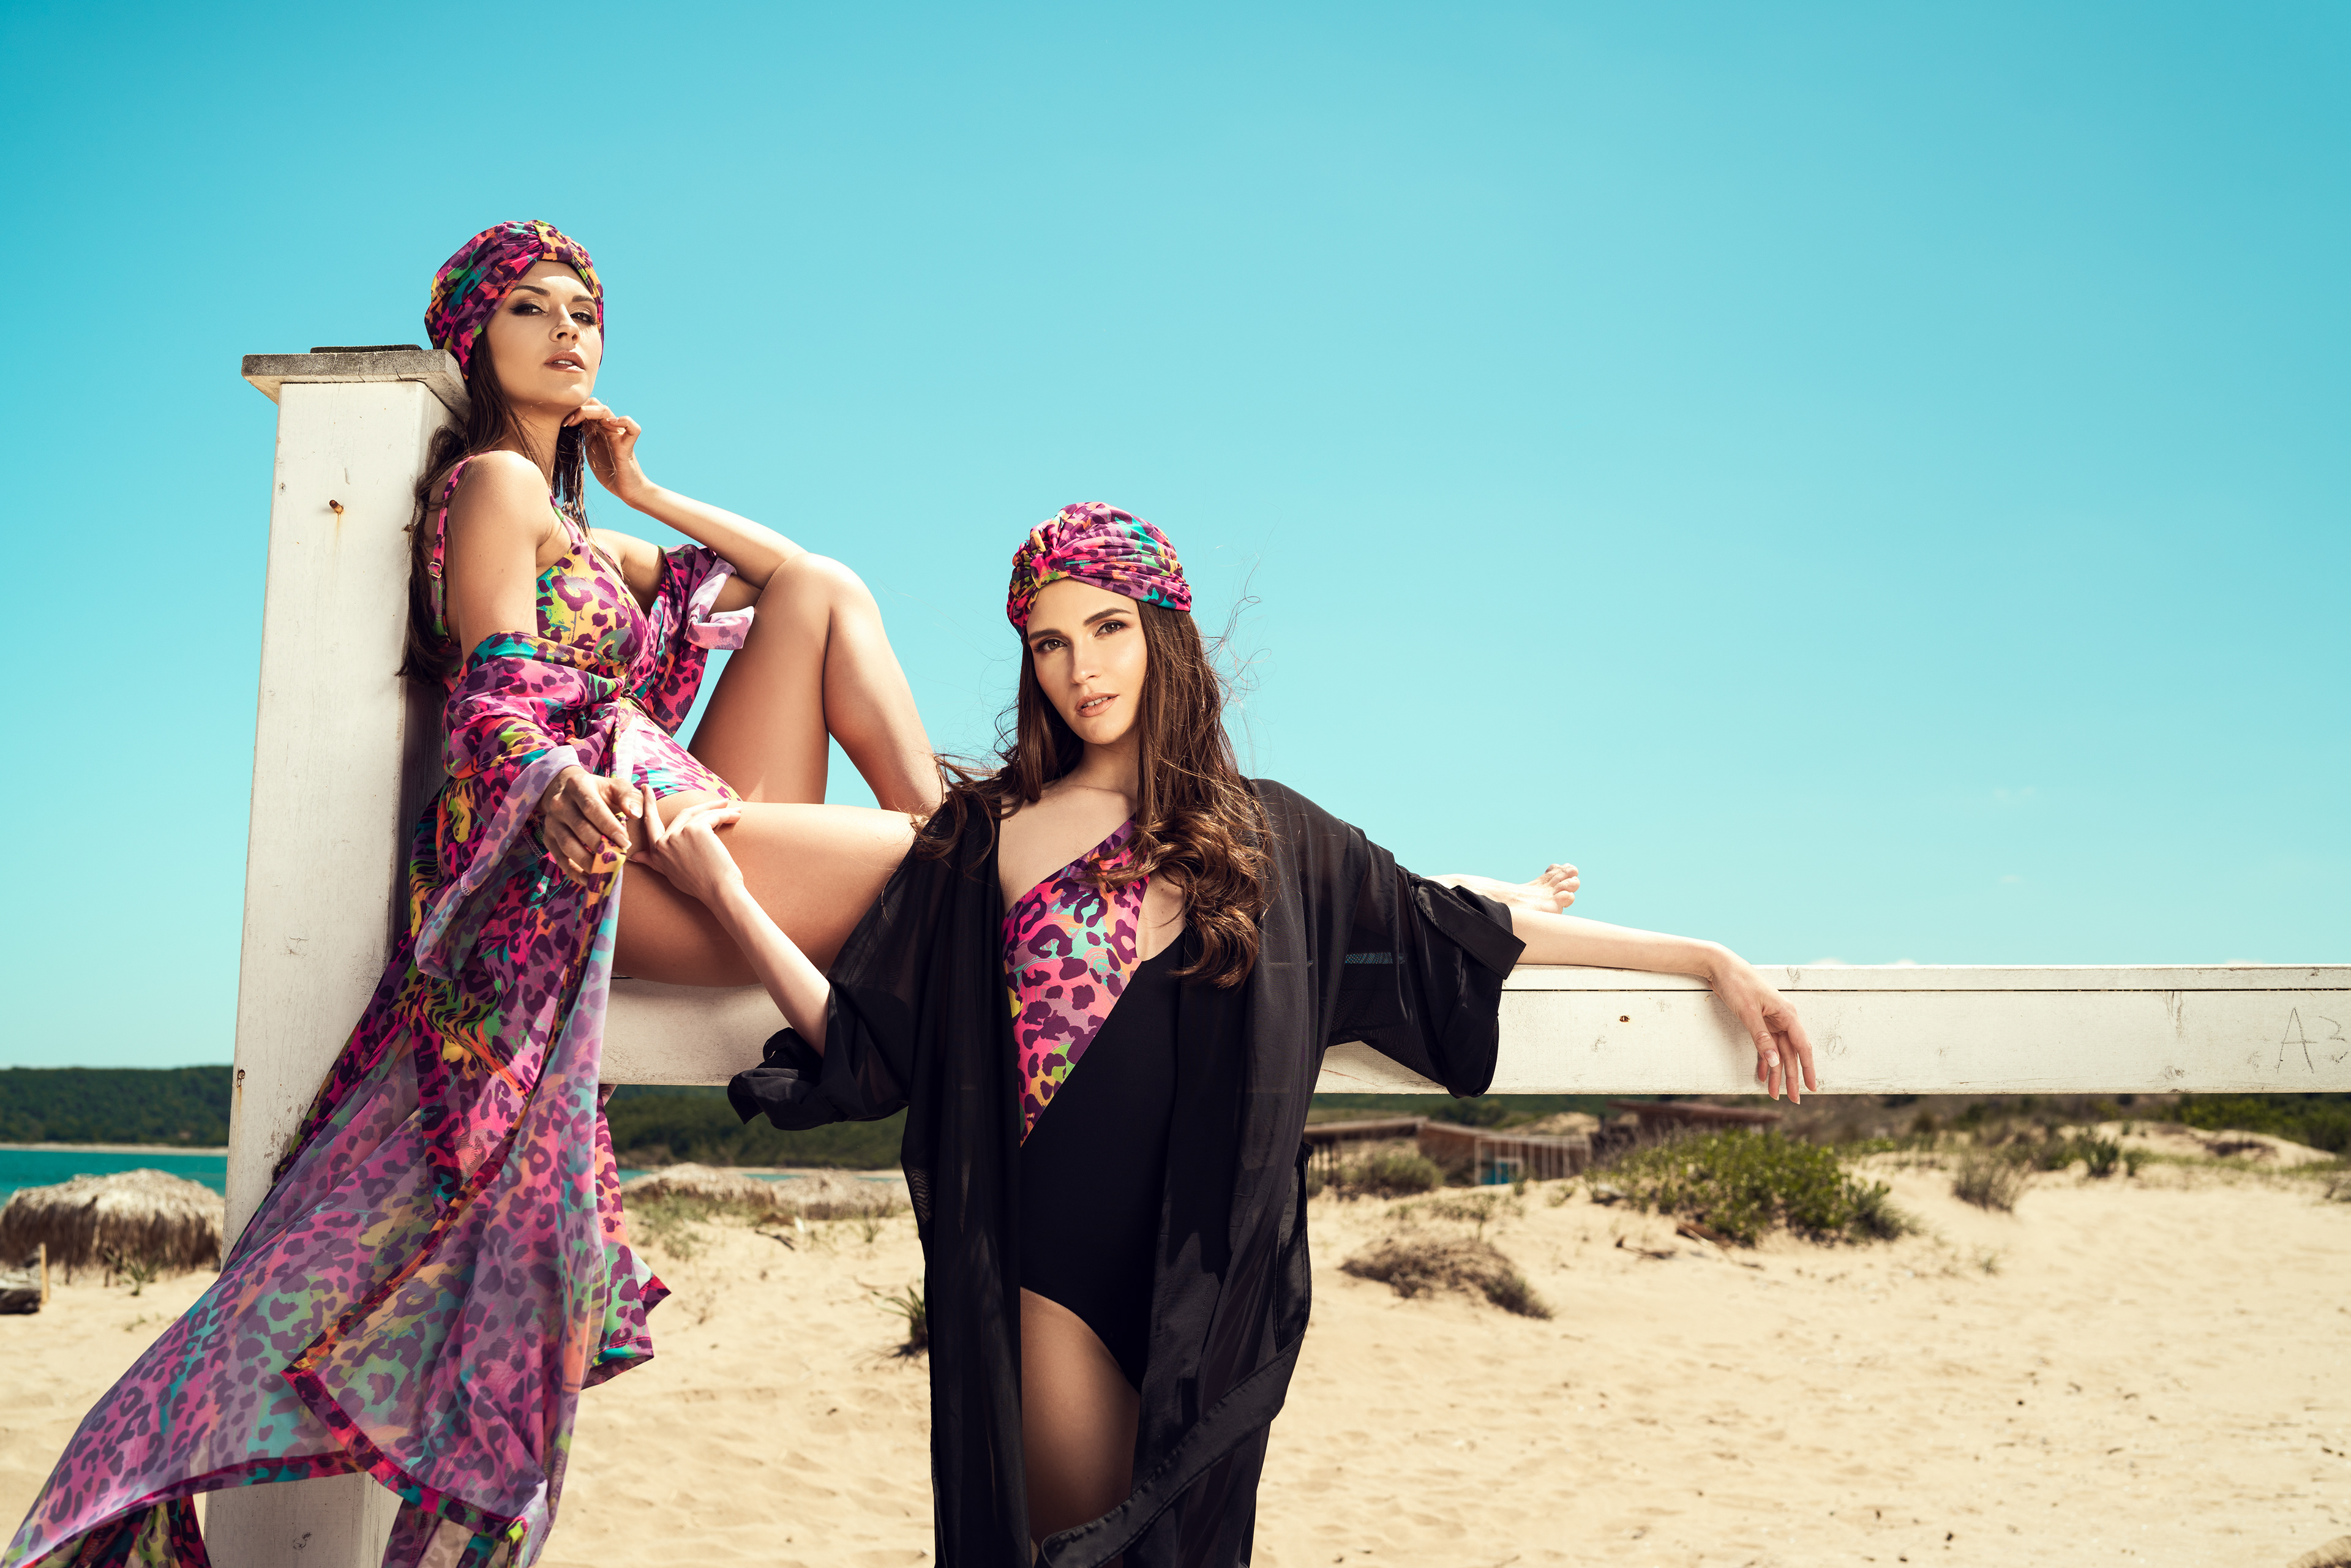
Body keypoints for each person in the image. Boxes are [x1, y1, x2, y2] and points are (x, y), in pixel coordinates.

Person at [3, 219, 947, 1568]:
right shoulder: (496, 482)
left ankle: (965, 839)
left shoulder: (578, 522)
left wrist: (646, 487)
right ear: (474, 336)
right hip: (581, 850)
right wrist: (556, 785)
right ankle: (978, 858)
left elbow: (791, 580)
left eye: (586, 313)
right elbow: (495, 691)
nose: (569, 332)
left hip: (661, 799)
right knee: (932, 861)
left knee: (828, 594)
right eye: (532, 309)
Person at [642, 503, 1818, 1568]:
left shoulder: (1276, 839)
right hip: (1044, 1277)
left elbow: (1447, 927)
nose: (1080, 669)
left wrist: (1704, 958)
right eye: (1048, 643)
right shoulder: (984, 839)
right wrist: (729, 897)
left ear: (1165, 630)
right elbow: (872, 1049)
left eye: (1107, 628)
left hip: (1203, 1288)